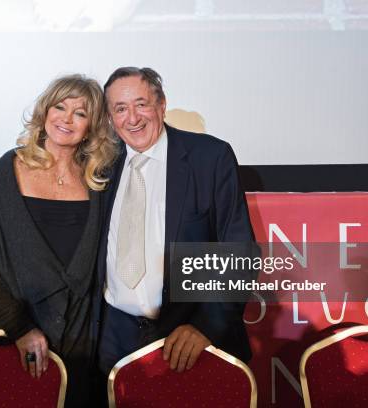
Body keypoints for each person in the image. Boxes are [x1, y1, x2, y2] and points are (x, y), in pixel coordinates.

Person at [0, 74, 117, 407]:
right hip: (11, 339)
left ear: (92, 126)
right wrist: (20, 329)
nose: (67, 118)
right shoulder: (5, 172)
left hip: (80, 345)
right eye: (60, 107)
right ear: (44, 112)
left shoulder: (101, 180)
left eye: (80, 113)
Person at [95, 67, 256, 378]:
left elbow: (239, 251)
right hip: (114, 338)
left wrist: (205, 326)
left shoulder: (209, 157)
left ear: (161, 105)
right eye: (120, 108)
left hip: (190, 338)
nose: (133, 118)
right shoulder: (101, 165)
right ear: (110, 118)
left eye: (141, 104)